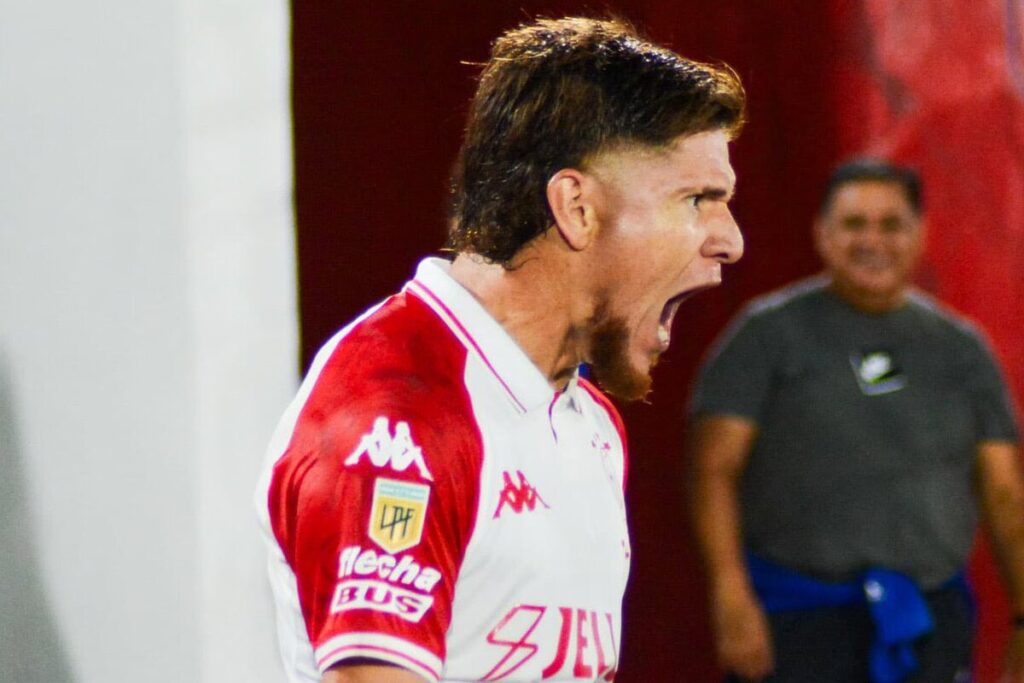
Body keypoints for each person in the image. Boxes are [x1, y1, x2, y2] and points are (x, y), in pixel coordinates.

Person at [256, 17, 746, 683]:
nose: (730, 240)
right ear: (576, 206)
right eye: (698, 199)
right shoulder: (397, 416)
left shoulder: (589, 425)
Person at [688, 159, 1024, 683]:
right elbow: (711, 471)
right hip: (795, 620)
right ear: (822, 232)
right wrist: (730, 597)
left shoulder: (963, 350)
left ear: (921, 233)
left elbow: (1005, 493)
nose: (873, 241)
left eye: (891, 224)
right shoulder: (764, 336)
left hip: (928, 621)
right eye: (854, 224)